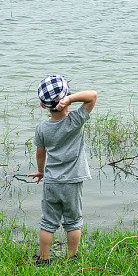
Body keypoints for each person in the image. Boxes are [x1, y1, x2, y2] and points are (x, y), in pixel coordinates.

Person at [28, 75, 97, 264]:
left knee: (48, 223)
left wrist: (40, 171)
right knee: (73, 222)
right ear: (66, 99)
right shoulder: (75, 120)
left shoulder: (42, 128)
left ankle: (44, 258)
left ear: (43, 106)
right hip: (73, 182)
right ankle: (72, 257)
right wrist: (70, 99)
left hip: (51, 181)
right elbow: (92, 96)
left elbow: (40, 154)